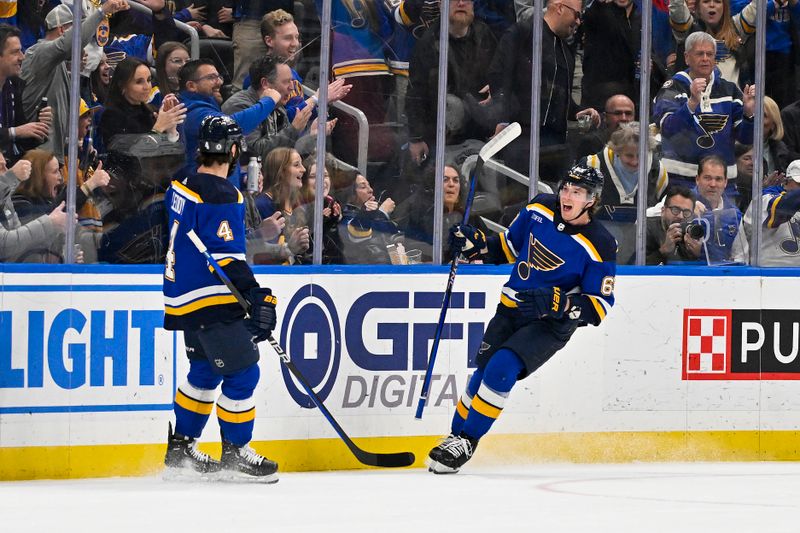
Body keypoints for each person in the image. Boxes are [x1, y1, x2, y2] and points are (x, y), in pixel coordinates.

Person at [426, 164, 616, 474]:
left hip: (550, 323)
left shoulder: (600, 242)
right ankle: (454, 437)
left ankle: (467, 441)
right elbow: (509, 247)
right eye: (566, 188)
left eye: (577, 192)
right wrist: (477, 244)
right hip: (510, 307)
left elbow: (600, 305)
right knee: (482, 374)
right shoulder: (539, 206)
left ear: (591, 200)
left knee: (502, 368)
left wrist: (563, 303)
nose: (567, 195)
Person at [162, 115, 279, 481]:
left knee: (205, 371)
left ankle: (181, 449)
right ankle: (236, 452)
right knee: (244, 371)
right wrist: (256, 295)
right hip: (213, 300)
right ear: (233, 150)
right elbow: (225, 257)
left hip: (184, 297)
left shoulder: (181, 183)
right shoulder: (221, 194)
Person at [489, 0, 600, 182]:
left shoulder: (566, 52)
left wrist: (578, 112)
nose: (579, 22)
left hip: (554, 147)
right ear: (560, 8)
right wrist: (503, 118)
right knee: (520, 200)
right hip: (520, 139)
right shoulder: (522, 33)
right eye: (577, 15)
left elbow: (561, 97)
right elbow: (499, 76)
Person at [20, 0, 130, 164]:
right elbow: (67, 44)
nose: (85, 38)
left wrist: (71, 70)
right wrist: (102, 12)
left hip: (51, 155)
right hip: (37, 157)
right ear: (63, 30)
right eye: (79, 28)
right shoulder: (38, 52)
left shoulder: (58, 65)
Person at [652, 31, 755, 190]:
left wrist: (749, 114)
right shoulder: (673, 88)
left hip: (722, 184)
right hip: (681, 183)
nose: (705, 58)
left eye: (710, 54)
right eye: (700, 54)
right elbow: (668, 130)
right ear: (687, 57)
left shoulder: (730, 90)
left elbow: (746, 139)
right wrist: (692, 103)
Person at [405, 0, 497, 167]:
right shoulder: (428, 43)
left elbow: (500, 75)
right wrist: (416, 138)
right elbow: (416, 93)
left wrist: (496, 89)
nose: (461, 3)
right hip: (443, 138)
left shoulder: (484, 34)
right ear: (441, 5)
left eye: (466, 0)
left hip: (482, 132)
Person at [177, 58, 280, 187]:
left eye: (218, 76)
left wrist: (242, 178)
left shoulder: (206, 108)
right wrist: (268, 101)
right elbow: (229, 126)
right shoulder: (191, 112)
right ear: (191, 86)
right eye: (211, 77)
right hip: (206, 197)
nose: (219, 82)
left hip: (214, 190)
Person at [98, 56, 186, 147]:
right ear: (122, 85)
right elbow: (129, 155)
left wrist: (171, 130)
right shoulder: (111, 115)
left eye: (149, 80)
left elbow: (175, 154)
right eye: (139, 82)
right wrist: (159, 127)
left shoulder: (152, 112)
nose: (147, 87)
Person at [732, 159, 800, 266]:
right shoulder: (765, 198)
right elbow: (781, 210)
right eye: (799, 183)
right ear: (786, 181)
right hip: (768, 274)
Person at [0, 24, 51, 164]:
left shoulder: (13, 87)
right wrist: (15, 132)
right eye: (15, 52)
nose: (22, 57)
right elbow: (16, 132)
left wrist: (38, 127)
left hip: (9, 168)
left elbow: (21, 141)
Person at [692, 154, 743, 263]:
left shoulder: (735, 215)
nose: (713, 184)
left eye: (718, 179)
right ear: (697, 179)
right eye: (707, 178)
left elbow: (739, 255)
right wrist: (687, 209)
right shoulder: (681, 200)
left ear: (725, 182)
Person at [645, 185, 702, 264]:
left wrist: (697, 255)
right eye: (675, 210)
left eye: (686, 213)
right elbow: (635, 269)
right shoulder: (645, 229)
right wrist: (663, 250)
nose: (681, 216)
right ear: (663, 210)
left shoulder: (693, 232)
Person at [573, 95, 635, 160]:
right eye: (617, 113)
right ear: (605, 117)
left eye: (628, 113)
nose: (623, 118)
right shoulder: (592, 143)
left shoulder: (641, 141)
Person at [150, 41, 190, 109]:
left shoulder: (194, 90)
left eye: (187, 61)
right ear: (162, 65)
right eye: (177, 61)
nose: (184, 65)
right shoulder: (153, 94)